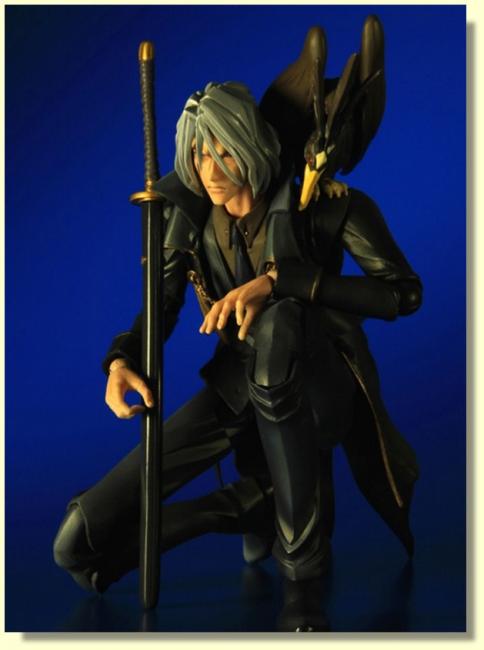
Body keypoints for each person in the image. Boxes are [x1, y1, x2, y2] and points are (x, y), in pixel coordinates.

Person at [53, 80, 422, 632]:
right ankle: (246, 505)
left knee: (278, 327)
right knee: (76, 544)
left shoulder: (321, 206)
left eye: (223, 151)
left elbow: (403, 294)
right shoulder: (191, 218)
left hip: (314, 382)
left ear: (252, 143)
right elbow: (162, 306)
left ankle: (303, 577)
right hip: (236, 387)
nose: (210, 168)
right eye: (199, 153)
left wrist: (282, 282)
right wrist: (121, 360)